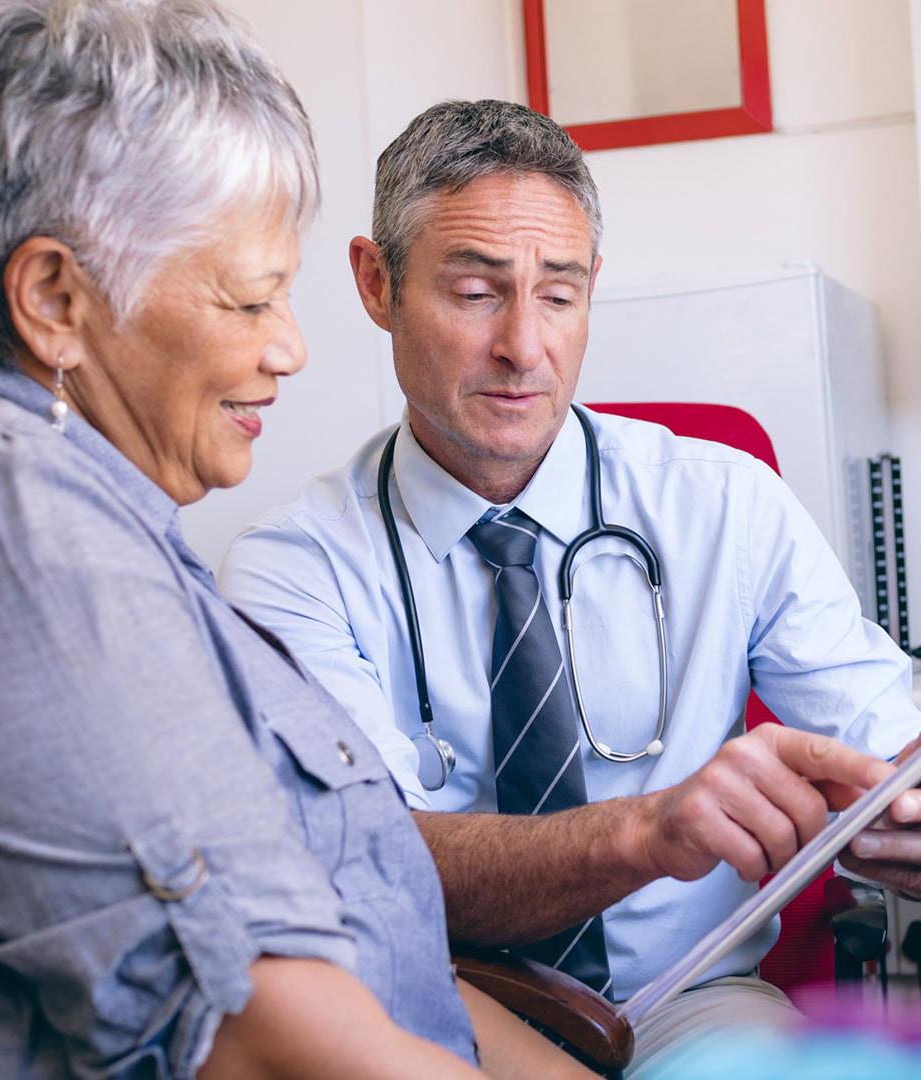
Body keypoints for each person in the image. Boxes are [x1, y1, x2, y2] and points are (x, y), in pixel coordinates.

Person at [0, 12, 609, 1078]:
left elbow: (398, 978)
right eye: (251, 297)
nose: (289, 347)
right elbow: (266, 1039)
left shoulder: (101, 526)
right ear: (55, 300)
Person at [218, 98, 921, 1075]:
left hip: (690, 1005)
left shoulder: (726, 504)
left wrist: (898, 818)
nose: (524, 346)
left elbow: (886, 746)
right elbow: (375, 870)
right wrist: (646, 831)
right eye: (474, 292)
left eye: (558, 294)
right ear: (377, 284)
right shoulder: (289, 573)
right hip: (429, 1008)